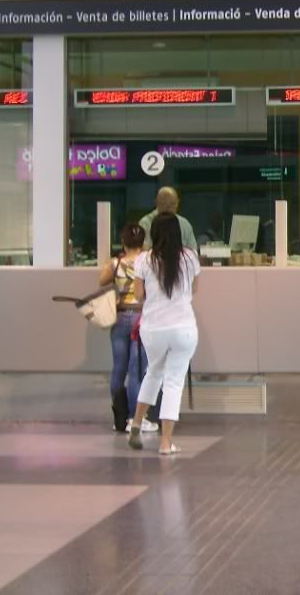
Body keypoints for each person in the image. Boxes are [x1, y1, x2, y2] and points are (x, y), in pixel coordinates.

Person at [128, 212, 200, 455]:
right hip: (183, 328)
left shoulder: (144, 260)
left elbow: (138, 296)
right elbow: (195, 289)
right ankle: (165, 442)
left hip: (153, 328)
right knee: (173, 382)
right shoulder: (190, 257)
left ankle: (136, 423)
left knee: (153, 374)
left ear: (154, 233)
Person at [98, 223, 158, 435]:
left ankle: (119, 418)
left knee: (118, 368)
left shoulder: (115, 264)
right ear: (143, 243)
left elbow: (102, 280)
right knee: (136, 370)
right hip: (142, 319)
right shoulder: (149, 261)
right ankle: (136, 418)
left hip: (120, 318)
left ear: (123, 242)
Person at [139, 187, 198, 254]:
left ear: (178, 203)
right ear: (156, 202)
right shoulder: (145, 223)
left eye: (172, 204)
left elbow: (193, 251)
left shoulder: (184, 224)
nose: (168, 209)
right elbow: (143, 251)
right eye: (164, 204)